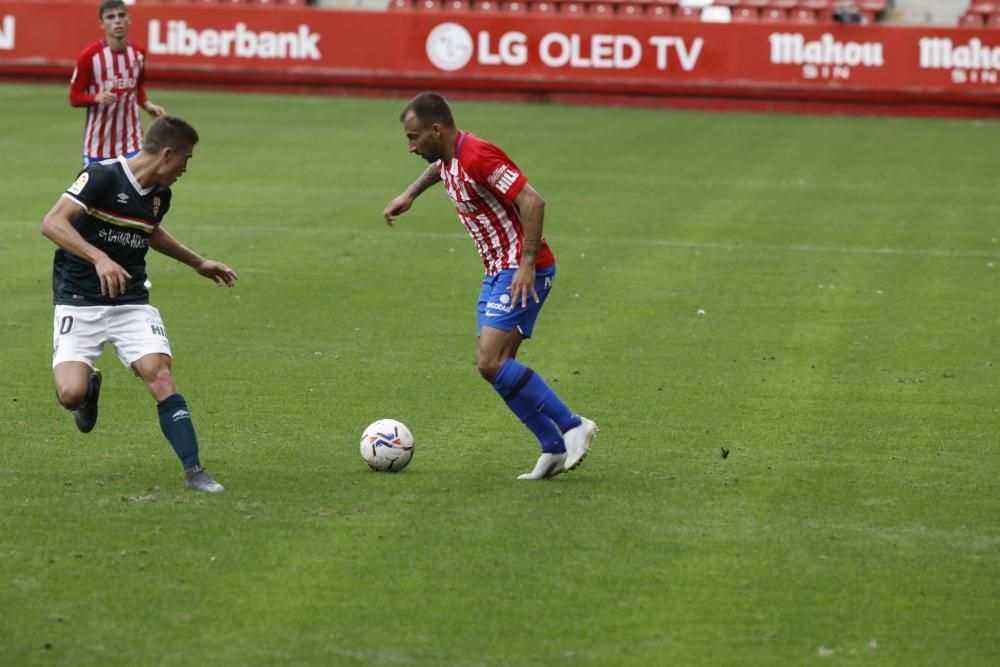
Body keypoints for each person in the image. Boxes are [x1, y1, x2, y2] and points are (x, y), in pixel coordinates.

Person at [383, 92, 597, 480]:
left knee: (490, 360)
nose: (411, 147)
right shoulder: (447, 156)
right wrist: (410, 193)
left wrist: (527, 264)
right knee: (494, 368)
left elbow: (533, 202)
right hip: (496, 269)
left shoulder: (478, 155)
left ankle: (572, 426)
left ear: (436, 129)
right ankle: (551, 447)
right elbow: (440, 170)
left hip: (520, 270)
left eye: (414, 138)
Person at [41, 114, 238, 493]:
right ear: (167, 154)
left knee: (159, 374)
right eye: (186, 159)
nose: (186, 168)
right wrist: (98, 257)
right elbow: (52, 223)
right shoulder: (101, 176)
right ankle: (89, 389)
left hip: (131, 301)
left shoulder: (160, 195)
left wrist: (198, 261)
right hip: (79, 300)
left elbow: (149, 231)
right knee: (70, 395)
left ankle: (194, 470)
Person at [70, 0, 165, 167]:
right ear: (102, 24)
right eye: (110, 17)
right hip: (97, 147)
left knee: (137, 191)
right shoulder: (90, 56)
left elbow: (137, 87)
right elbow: (74, 97)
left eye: (121, 15)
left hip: (131, 142)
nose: (117, 21)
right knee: (99, 193)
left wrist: (147, 104)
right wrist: (96, 97)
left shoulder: (138, 54)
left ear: (129, 19)